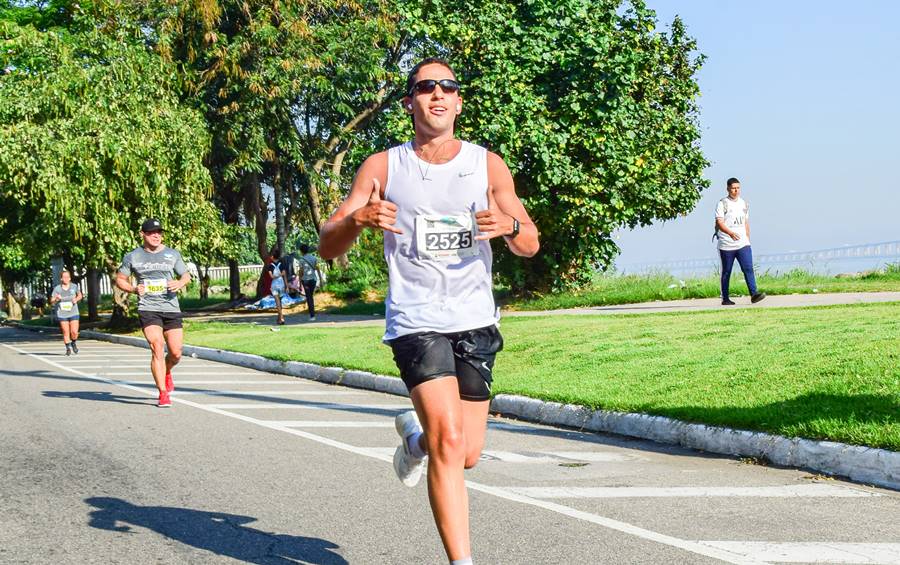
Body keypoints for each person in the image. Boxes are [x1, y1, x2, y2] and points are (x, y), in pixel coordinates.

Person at [319, 57, 539, 565]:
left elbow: (529, 242)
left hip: (475, 319)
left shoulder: (486, 165)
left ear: (458, 102)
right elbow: (328, 244)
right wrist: (358, 219)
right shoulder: (383, 166)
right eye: (425, 87)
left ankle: (414, 441)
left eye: (447, 87)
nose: (437, 94)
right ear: (409, 103)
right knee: (450, 441)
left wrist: (507, 227)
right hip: (416, 320)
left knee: (465, 453)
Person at [115, 218, 191, 407]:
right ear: (143, 234)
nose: (156, 235)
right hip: (148, 308)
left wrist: (179, 283)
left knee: (176, 353)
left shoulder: (172, 254)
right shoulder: (133, 256)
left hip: (171, 308)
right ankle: (163, 393)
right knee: (157, 346)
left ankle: (167, 370)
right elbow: (120, 279)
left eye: (159, 232)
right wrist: (133, 289)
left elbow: (185, 275)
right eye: (151, 232)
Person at [715, 177, 766, 305]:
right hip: (727, 244)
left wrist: (747, 238)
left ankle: (754, 294)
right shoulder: (722, 203)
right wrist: (730, 233)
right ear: (728, 189)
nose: (736, 190)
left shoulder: (744, 203)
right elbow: (720, 222)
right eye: (733, 188)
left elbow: (745, 222)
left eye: (738, 188)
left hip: (743, 243)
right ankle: (725, 298)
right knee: (727, 271)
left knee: (748, 268)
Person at [49, 269, 83, 356]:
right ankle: (68, 348)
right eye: (64, 277)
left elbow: (80, 295)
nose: (66, 279)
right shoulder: (57, 289)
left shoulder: (74, 286)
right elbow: (51, 301)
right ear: (61, 279)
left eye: (67, 277)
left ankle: (73, 342)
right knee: (65, 331)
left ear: (70, 278)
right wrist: (56, 299)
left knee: (74, 332)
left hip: (73, 312)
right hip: (62, 313)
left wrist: (76, 299)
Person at [296, 243, 322, 322]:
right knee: (310, 296)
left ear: (301, 251)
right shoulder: (314, 258)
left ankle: (312, 315)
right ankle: (312, 313)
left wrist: (299, 282)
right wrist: (320, 279)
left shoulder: (301, 260)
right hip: (313, 279)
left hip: (305, 280)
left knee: (309, 297)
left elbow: (301, 272)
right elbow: (317, 268)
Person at [267, 247, 289, 325]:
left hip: (274, 285)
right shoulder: (282, 264)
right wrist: (287, 286)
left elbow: (271, 276)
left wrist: (277, 275)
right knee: (280, 302)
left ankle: (281, 318)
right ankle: (279, 319)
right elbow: (284, 275)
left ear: (273, 257)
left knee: (277, 303)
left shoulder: (270, 266)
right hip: (281, 284)